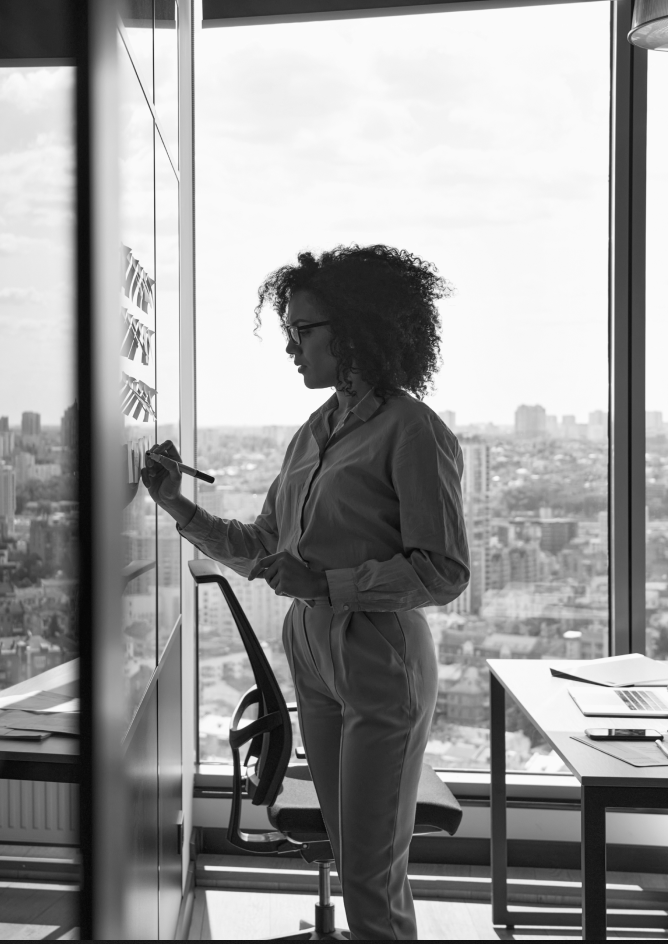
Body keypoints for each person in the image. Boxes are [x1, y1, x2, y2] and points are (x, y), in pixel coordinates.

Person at [142, 244, 469, 940]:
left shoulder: (413, 432)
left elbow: (444, 571)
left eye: (303, 331)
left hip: (379, 658)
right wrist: (177, 505)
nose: (290, 346)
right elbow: (265, 542)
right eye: (287, 331)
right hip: (314, 655)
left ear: (354, 329)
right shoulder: (312, 434)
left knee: (370, 884)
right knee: (358, 863)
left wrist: (328, 581)